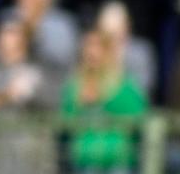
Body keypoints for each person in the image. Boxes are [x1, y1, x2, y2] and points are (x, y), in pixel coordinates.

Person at [0, 18, 56, 174]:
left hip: (34, 161)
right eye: (7, 33)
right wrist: (4, 96)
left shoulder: (39, 73)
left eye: (16, 33)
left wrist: (31, 94)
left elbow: (54, 108)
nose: (11, 39)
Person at [62, 28, 149, 174]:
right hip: (86, 159)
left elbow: (139, 112)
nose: (92, 52)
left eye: (98, 46)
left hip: (117, 159)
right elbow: (65, 119)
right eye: (89, 46)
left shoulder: (123, 83)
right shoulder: (75, 84)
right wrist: (79, 102)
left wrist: (106, 98)